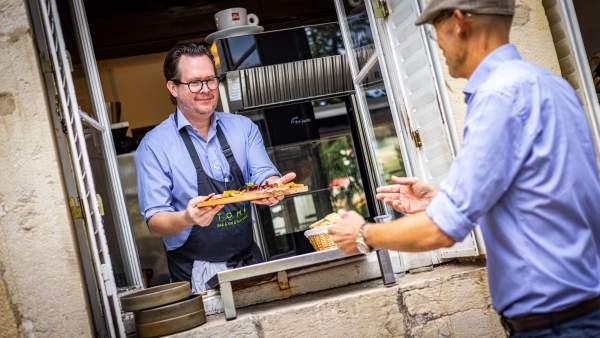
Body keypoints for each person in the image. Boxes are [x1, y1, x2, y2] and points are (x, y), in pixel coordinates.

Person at [329, 0, 600, 337]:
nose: (439, 45)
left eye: (435, 32)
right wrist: (439, 200)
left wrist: (363, 234)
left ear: (458, 23)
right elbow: (546, 193)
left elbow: (441, 230)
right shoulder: (548, 85)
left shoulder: (498, 96)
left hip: (557, 325)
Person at [135, 42, 295, 292]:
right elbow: (155, 220)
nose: (206, 89)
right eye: (195, 82)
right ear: (173, 88)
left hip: (249, 260)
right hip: (195, 272)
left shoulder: (243, 128)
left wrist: (272, 186)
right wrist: (188, 217)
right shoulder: (154, 146)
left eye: (211, 80)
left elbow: (263, 173)